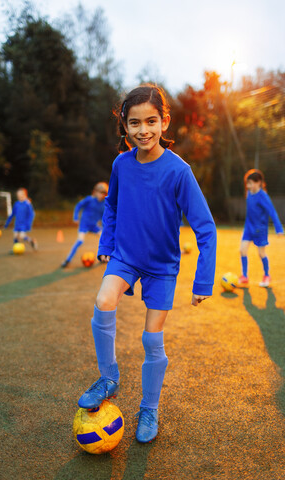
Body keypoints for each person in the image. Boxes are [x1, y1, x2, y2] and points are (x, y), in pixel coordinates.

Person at [77, 84, 217, 443]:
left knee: (151, 339)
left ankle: (149, 408)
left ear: (164, 122)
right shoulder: (121, 164)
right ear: (124, 126)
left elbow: (205, 228)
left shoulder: (179, 171)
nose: (143, 130)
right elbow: (111, 206)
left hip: (161, 267)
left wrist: (202, 282)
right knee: (104, 301)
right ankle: (109, 377)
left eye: (151, 121)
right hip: (124, 256)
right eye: (135, 123)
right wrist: (107, 244)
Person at [238, 169, 283, 287]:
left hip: (260, 229)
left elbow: (272, 212)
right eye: (247, 184)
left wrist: (279, 228)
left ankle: (267, 275)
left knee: (261, 253)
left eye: (250, 183)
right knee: (242, 250)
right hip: (248, 227)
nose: (248, 186)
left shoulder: (263, 196)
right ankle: (244, 276)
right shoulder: (249, 193)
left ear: (258, 183)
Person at [61, 182, 108, 268]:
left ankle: (103, 258)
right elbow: (78, 206)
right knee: (80, 241)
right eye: (100, 192)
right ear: (95, 192)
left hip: (94, 226)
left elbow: (103, 217)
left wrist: (104, 227)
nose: (102, 195)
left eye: (104, 193)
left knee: (104, 239)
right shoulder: (89, 199)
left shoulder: (104, 204)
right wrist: (75, 217)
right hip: (84, 224)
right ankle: (67, 260)